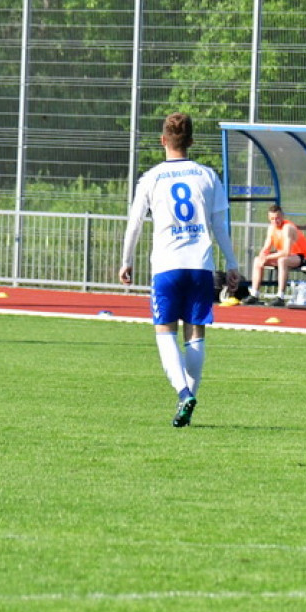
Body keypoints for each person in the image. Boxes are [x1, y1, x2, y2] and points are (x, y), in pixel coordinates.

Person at [119, 113, 240, 428]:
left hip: (167, 266)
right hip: (200, 264)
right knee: (195, 332)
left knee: (164, 330)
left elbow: (134, 224)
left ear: (163, 141)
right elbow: (219, 226)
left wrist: (126, 260)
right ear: (191, 142)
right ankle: (188, 400)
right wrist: (232, 263)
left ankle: (184, 393)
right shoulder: (207, 175)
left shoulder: (151, 178)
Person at [241, 203, 306, 307]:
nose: (275, 221)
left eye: (277, 218)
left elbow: (286, 252)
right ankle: (254, 294)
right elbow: (266, 247)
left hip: (302, 256)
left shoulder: (287, 228)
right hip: (287, 256)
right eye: (272, 219)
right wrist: (263, 255)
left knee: (282, 260)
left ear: (282, 216)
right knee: (257, 260)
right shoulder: (271, 228)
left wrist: (268, 257)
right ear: (269, 218)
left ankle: (280, 296)